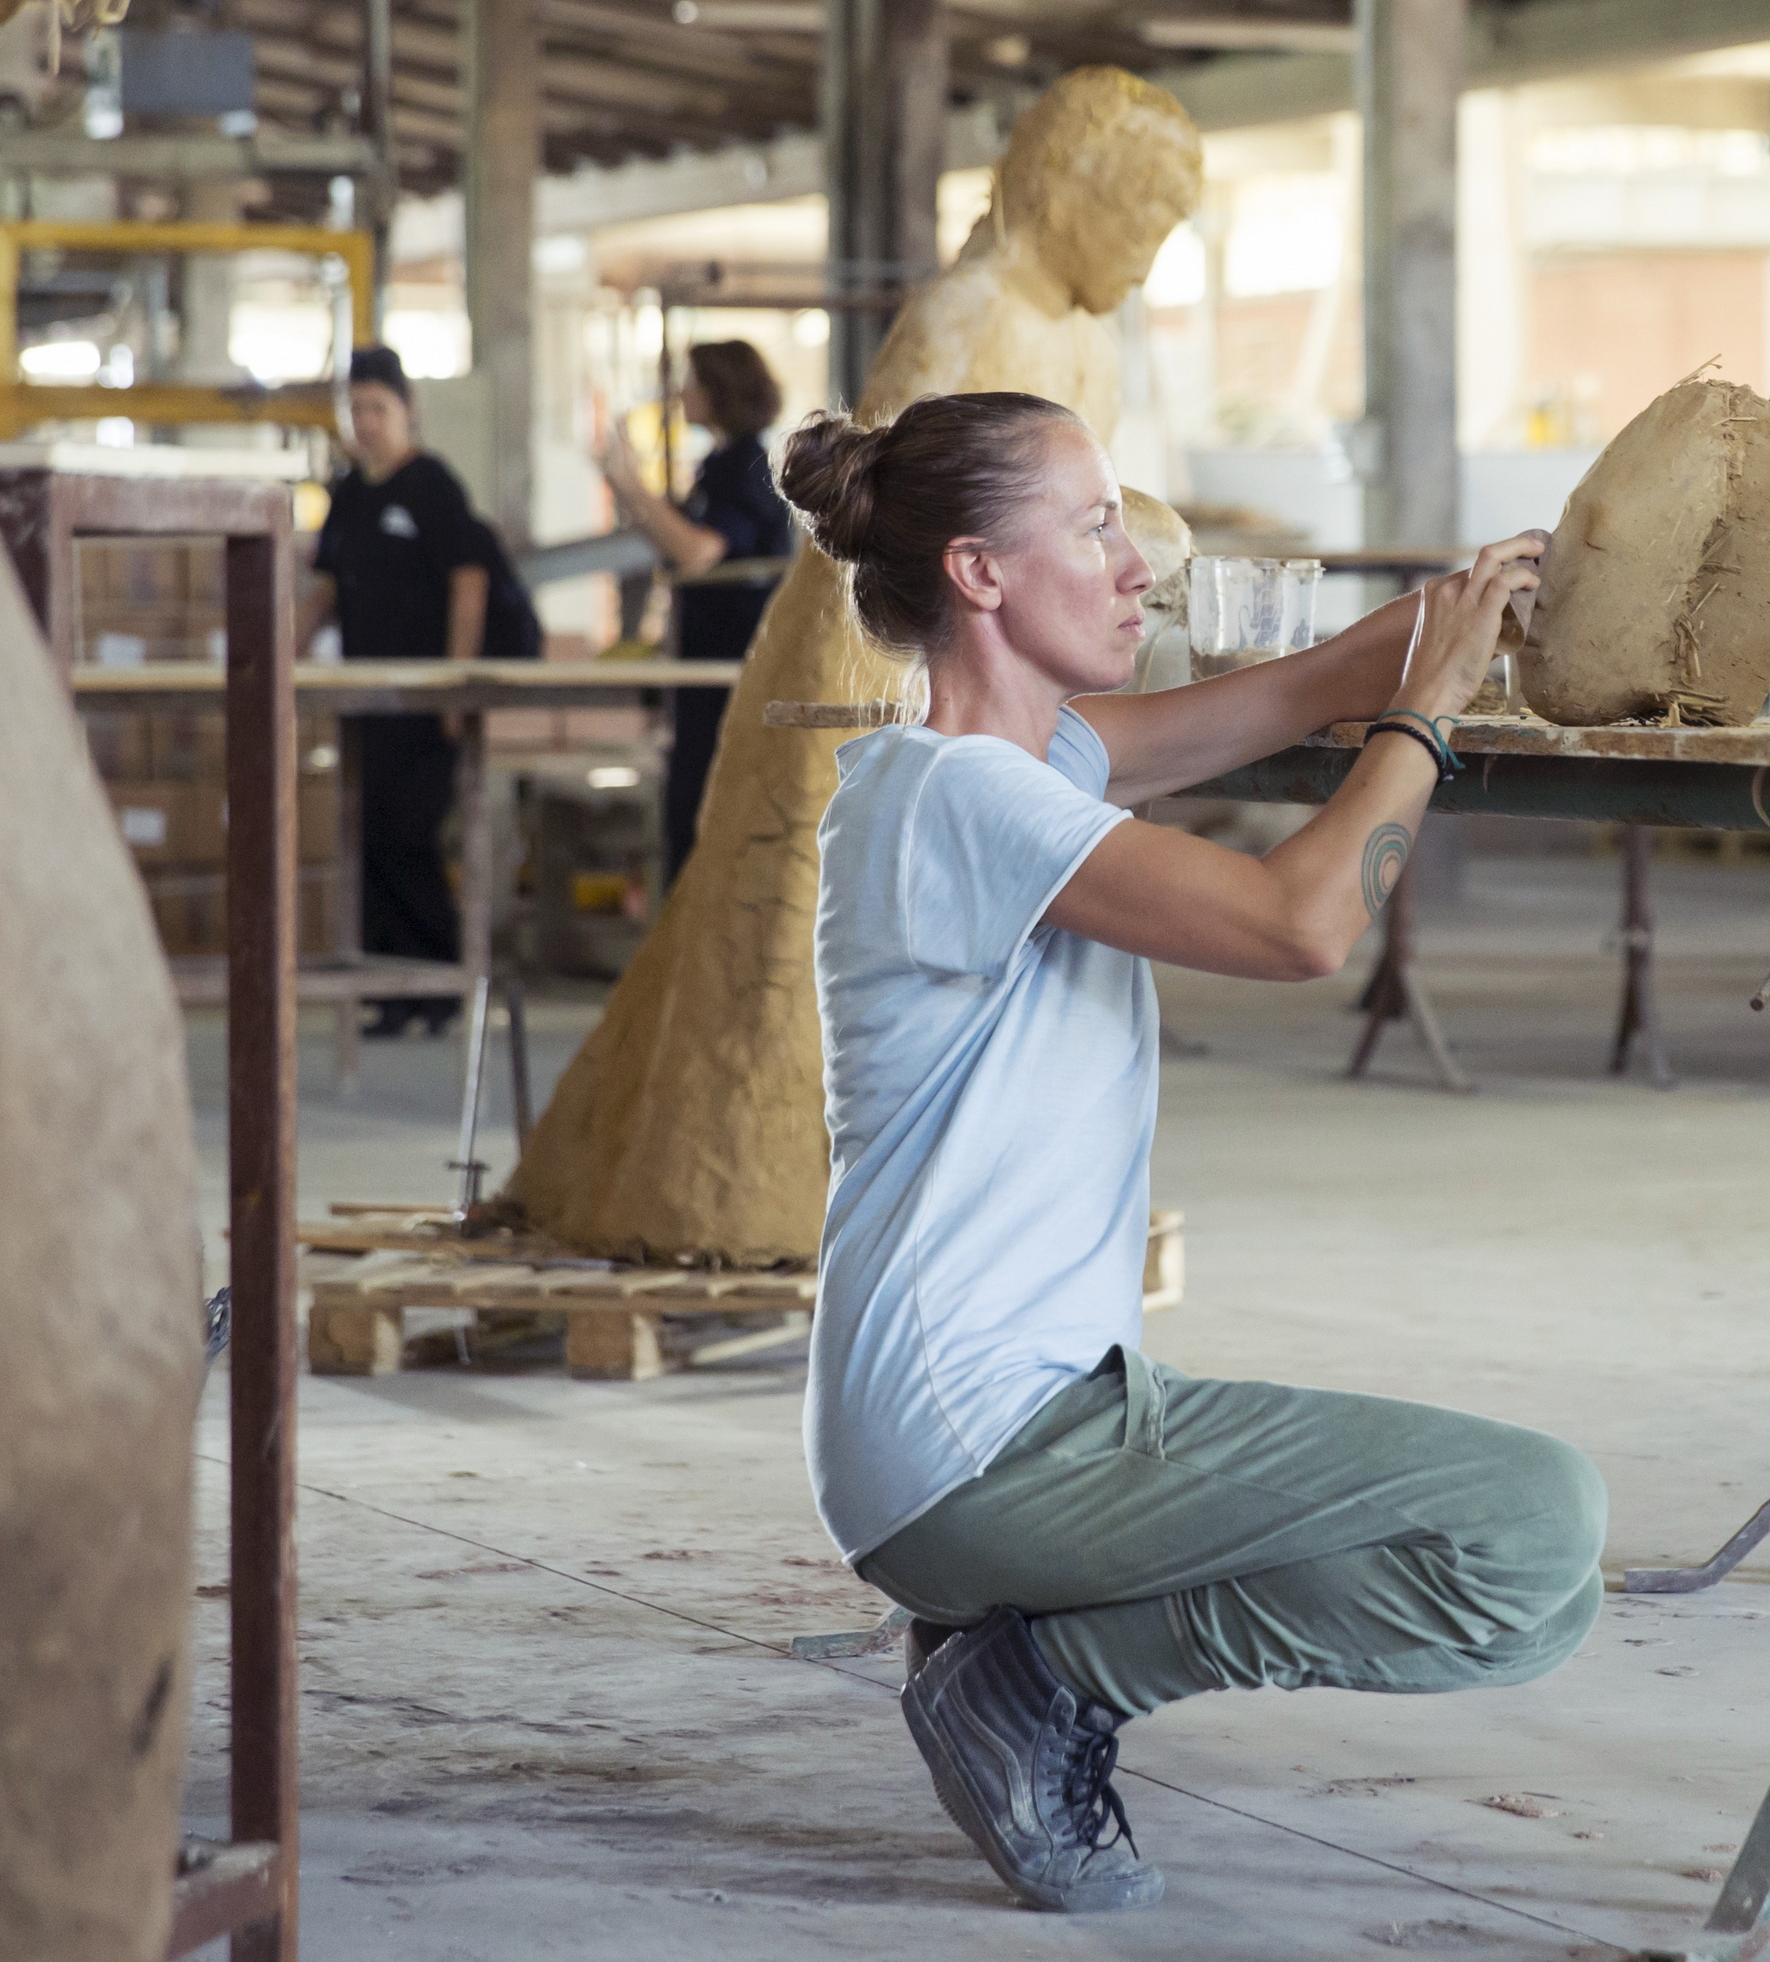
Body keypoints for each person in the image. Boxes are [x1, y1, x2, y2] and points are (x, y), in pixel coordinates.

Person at [778, 389, 1597, 1916]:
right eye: (1094, 527)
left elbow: (1287, 694)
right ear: (979, 574)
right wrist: (1427, 717)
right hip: (978, 1441)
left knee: (1543, 1587)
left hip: (965, 1431)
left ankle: (1021, 1661)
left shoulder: (1028, 763)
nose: (1136, 561)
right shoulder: (966, 798)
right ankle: (1043, 1678)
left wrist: (1484, 602)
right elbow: (1301, 923)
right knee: (1528, 1528)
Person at [307, 346, 535, 1034]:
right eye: (357, 409)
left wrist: (453, 688)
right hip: (365, 702)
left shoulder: (431, 486)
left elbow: (468, 582)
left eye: (379, 408)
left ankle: (440, 983)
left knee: (408, 835)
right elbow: (321, 589)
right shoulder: (349, 495)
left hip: (424, 705)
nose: (367, 422)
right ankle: (392, 986)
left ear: (408, 412)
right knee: (367, 837)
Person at [594, 339, 795, 880]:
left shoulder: (748, 466)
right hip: (704, 671)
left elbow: (698, 552)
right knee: (686, 815)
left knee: (709, 818)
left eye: (693, 381)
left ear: (719, 391)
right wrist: (628, 489)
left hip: (732, 673)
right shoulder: (720, 466)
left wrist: (632, 484)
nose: (681, 393)